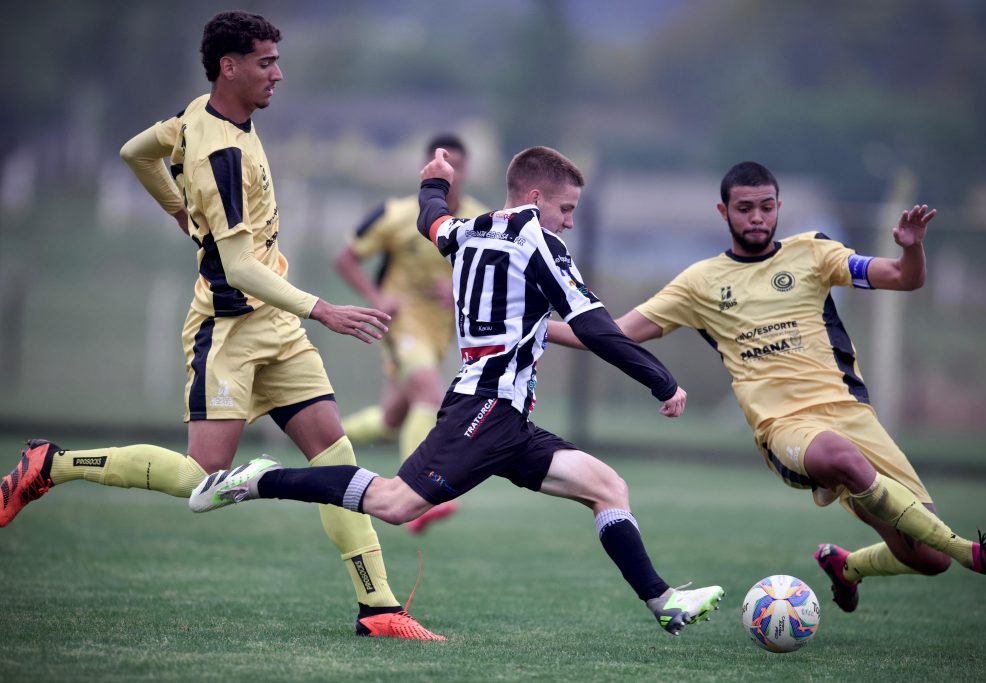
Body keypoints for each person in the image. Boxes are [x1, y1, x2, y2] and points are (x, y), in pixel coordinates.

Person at [0, 10, 443, 641]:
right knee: (200, 479)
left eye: (276, 60)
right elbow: (237, 267)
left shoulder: (200, 117)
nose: (278, 74)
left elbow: (135, 152)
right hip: (230, 331)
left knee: (335, 456)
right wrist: (324, 309)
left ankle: (379, 609)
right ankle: (53, 464)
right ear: (228, 67)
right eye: (266, 62)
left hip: (277, 327)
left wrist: (180, 211)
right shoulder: (222, 154)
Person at [190, 145, 726, 636]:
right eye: (566, 208)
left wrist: (434, 181)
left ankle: (663, 602)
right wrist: (661, 381)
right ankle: (261, 480)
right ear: (535, 198)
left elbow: (431, 218)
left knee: (607, 486)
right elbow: (595, 326)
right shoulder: (542, 243)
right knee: (395, 504)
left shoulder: (469, 229)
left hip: (507, 418)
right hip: (486, 408)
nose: (569, 220)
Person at [545, 160, 986, 612]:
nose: (757, 217)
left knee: (929, 558)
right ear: (723, 211)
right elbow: (613, 333)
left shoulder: (814, 251)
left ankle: (847, 566)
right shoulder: (699, 283)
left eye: (766, 206)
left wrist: (912, 247)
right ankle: (971, 553)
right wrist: (536, 327)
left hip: (851, 413)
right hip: (784, 427)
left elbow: (904, 278)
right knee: (845, 460)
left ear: (779, 207)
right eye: (744, 208)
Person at [334, 134, 488, 533]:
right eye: (444, 164)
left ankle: (322, 438)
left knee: (391, 420)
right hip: (402, 325)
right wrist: (377, 298)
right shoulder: (396, 215)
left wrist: (459, 292)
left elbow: (492, 280)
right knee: (428, 393)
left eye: (458, 164)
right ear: (428, 169)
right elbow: (346, 259)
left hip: (441, 333)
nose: (452, 172)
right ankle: (418, 495)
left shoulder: (481, 222)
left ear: (467, 171)